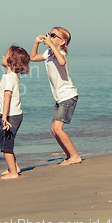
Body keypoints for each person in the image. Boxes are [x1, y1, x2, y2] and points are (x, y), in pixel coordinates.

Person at [30, 27, 81, 165]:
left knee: (58, 128)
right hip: (60, 98)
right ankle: (69, 155)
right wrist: (36, 43)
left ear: (62, 41)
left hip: (68, 96)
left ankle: (75, 156)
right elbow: (33, 57)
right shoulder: (48, 53)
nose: (49, 36)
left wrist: (52, 45)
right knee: (54, 129)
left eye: (53, 35)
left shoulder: (61, 53)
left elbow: (62, 61)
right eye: (49, 34)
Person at [0, 46, 30, 179]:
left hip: (10, 116)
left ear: (11, 62)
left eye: (5, 55)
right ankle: (14, 166)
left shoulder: (9, 78)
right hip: (13, 115)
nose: (2, 57)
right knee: (5, 141)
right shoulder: (12, 76)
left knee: (6, 145)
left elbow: (7, 97)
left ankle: (13, 173)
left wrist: (4, 117)